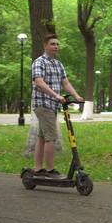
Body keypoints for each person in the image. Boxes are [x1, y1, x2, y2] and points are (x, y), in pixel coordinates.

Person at [31, 34, 84, 180]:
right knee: (51, 138)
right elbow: (39, 82)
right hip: (43, 103)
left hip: (53, 105)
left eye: (57, 44)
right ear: (45, 46)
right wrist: (56, 96)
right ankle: (50, 170)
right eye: (53, 44)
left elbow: (65, 83)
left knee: (42, 137)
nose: (56, 46)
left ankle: (38, 169)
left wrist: (76, 96)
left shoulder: (58, 64)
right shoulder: (39, 62)